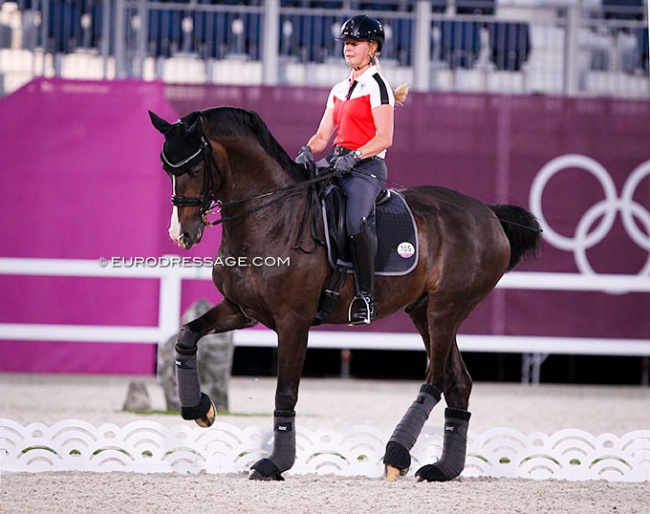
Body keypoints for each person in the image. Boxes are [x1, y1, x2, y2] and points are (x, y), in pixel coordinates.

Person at [296, 14, 408, 325]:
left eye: (355, 43)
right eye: (346, 43)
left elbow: (385, 137)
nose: (348, 48)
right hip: (337, 163)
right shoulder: (338, 89)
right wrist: (306, 152)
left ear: (372, 48)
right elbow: (322, 137)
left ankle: (366, 297)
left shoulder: (378, 87)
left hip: (366, 168)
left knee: (355, 223)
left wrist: (355, 156)